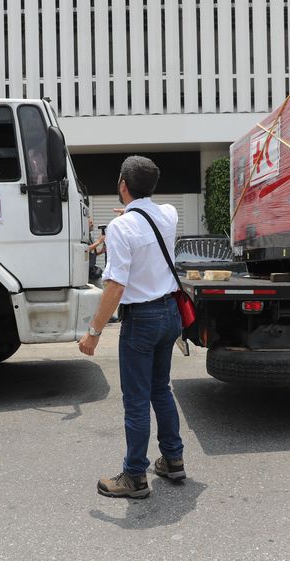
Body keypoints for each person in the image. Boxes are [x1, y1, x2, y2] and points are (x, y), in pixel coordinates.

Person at [78, 155, 185, 499]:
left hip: (142, 320)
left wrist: (93, 332)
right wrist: (128, 215)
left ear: (123, 185)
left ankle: (135, 476)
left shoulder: (121, 228)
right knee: (160, 389)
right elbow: (148, 220)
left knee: (137, 400)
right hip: (170, 313)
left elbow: (115, 287)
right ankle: (173, 459)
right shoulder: (169, 214)